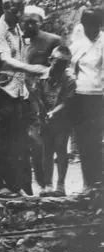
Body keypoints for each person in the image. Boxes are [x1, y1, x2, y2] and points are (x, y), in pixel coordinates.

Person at [0, 0, 49, 198]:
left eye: (23, 6)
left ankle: (14, 184)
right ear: (5, 7)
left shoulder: (16, 30)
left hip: (15, 94)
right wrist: (32, 69)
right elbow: (4, 61)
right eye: (17, 7)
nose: (21, 11)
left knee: (16, 142)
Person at [23, 5, 63, 195]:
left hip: (44, 99)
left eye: (34, 21)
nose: (29, 25)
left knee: (43, 142)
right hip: (19, 97)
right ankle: (31, 184)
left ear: (41, 21)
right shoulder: (18, 40)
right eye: (26, 21)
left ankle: (47, 183)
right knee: (28, 142)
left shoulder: (52, 40)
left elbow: (62, 68)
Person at [34, 45, 77, 196]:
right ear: (50, 60)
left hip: (63, 120)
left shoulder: (69, 79)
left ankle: (60, 185)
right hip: (46, 119)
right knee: (47, 150)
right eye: (57, 65)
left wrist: (53, 112)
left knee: (61, 149)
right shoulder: (41, 77)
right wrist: (42, 113)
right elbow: (37, 95)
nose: (60, 69)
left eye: (64, 65)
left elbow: (67, 101)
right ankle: (47, 184)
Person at [71, 6, 104, 193]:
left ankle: (99, 183)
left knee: (96, 140)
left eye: (95, 26)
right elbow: (70, 67)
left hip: (98, 97)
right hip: (79, 97)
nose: (92, 30)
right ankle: (88, 183)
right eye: (87, 26)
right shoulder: (78, 42)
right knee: (83, 141)